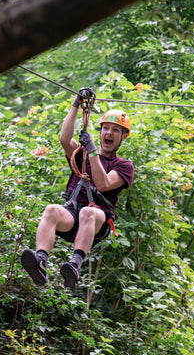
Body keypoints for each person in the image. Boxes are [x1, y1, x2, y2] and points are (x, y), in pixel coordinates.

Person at [21, 89, 134, 289]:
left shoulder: (123, 166)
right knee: (51, 210)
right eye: (105, 128)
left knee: (88, 212)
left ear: (123, 136)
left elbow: (103, 184)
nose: (108, 133)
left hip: (97, 221)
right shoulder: (81, 154)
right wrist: (76, 104)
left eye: (115, 130)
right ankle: (40, 262)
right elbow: (65, 139)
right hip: (73, 215)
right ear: (100, 132)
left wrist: (91, 151)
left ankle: (75, 264)